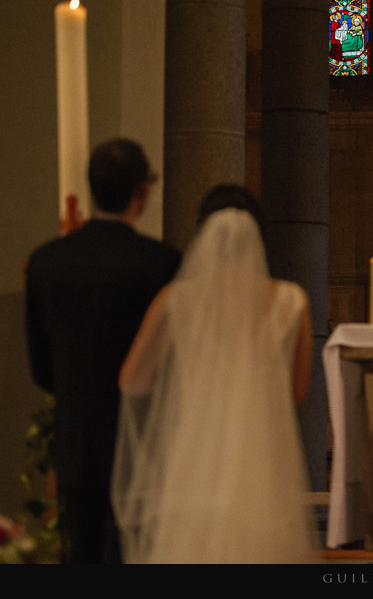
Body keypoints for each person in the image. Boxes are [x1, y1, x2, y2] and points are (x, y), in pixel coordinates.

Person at [111, 185, 316, 564]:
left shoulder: (176, 298)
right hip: (263, 466)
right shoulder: (293, 300)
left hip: (192, 461)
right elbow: (296, 394)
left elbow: (132, 379)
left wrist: (177, 388)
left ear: (202, 234)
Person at [25, 138, 181, 563]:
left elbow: (41, 367)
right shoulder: (161, 262)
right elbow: (172, 364)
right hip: (142, 443)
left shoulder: (46, 261)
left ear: (91, 187)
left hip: (76, 440)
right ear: (142, 191)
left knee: (82, 558)